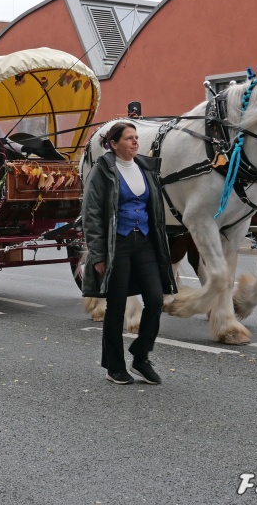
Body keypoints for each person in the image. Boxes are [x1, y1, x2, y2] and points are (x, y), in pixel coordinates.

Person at [81, 121, 177, 385]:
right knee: (117, 306)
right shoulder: (103, 171)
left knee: (156, 299)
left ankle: (140, 357)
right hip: (117, 245)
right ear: (114, 144)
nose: (135, 142)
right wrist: (98, 255)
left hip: (144, 242)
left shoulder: (146, 168)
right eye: (129, 138)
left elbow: (154, 209)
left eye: (136, 137)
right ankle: (114, 366)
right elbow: (91, 214)